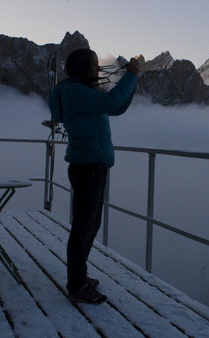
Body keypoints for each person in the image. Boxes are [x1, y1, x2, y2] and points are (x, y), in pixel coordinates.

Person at [48, 49, 139, 303]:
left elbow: (116, 108)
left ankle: (80, 276)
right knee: (82, 228)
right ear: (82, 68)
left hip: (93, 166)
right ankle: (76, 285)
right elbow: (111, 103)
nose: (98, 69)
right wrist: (131, 75)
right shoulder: (76, 93)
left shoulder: (83, 94)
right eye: (94, 65)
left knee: (91, 226)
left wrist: (133, 80)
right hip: (87, 167)